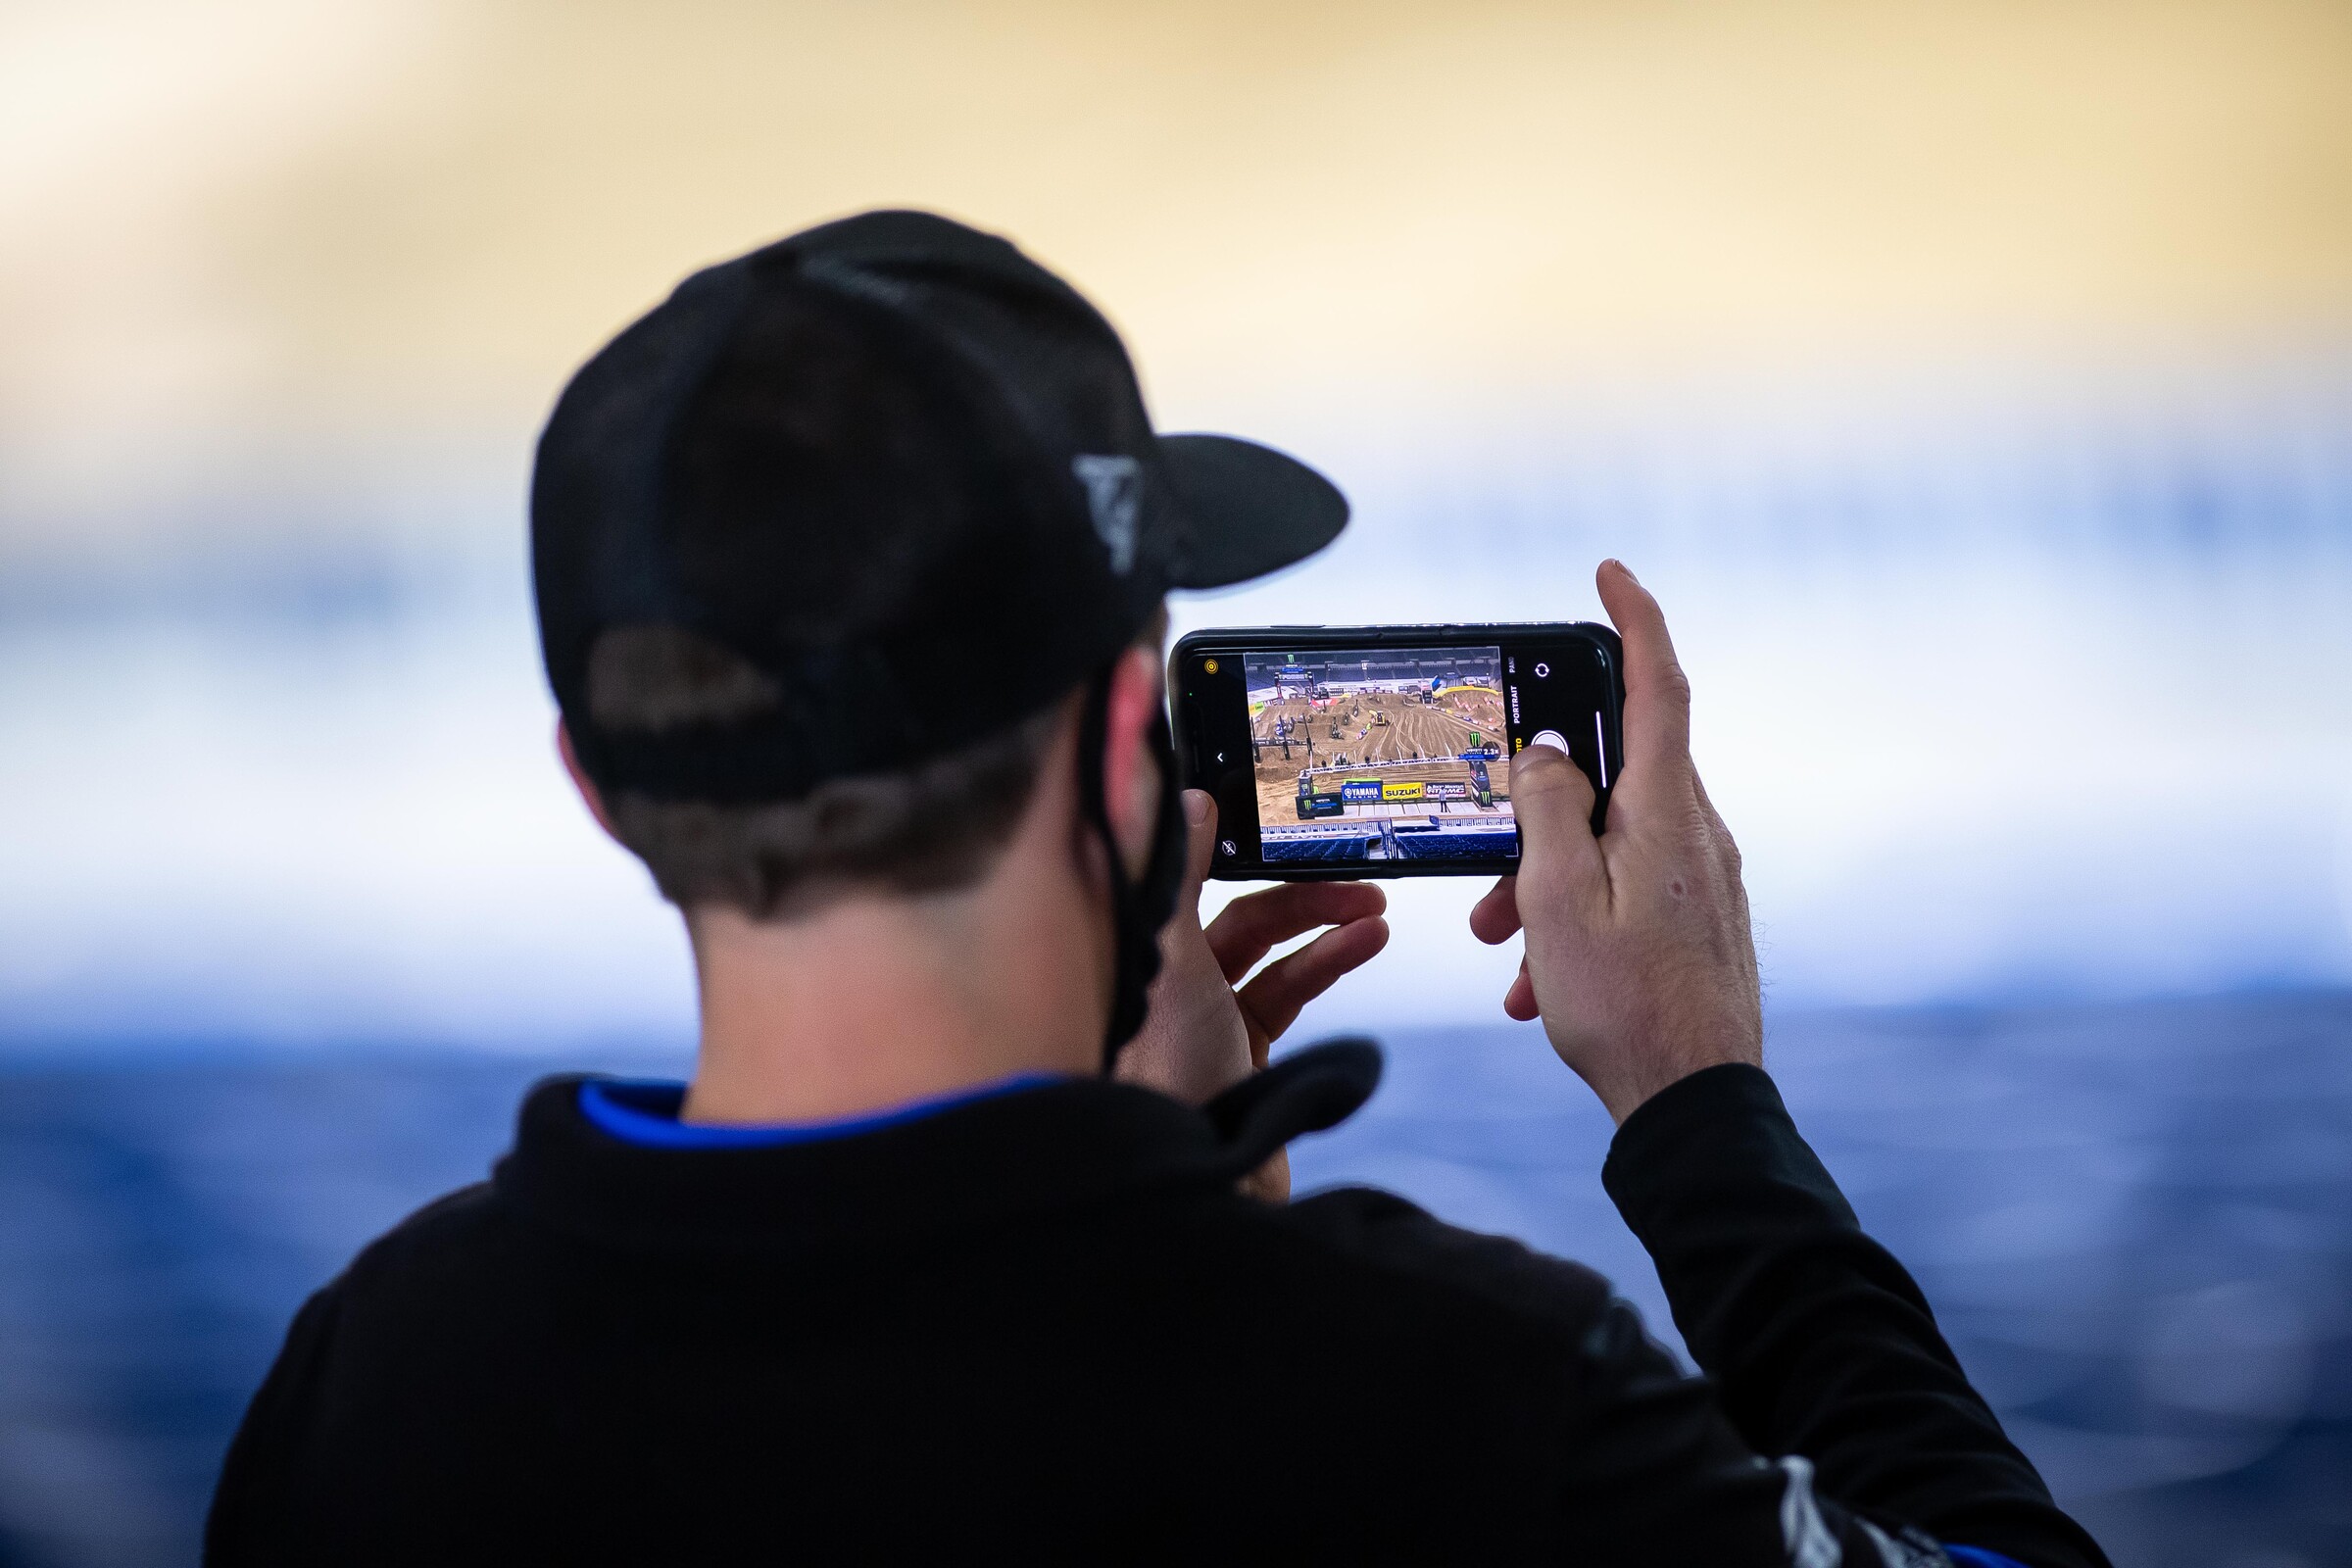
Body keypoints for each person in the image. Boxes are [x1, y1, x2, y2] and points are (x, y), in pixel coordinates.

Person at [205, 211, 2109, 1567]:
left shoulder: (367, 1381)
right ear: (1132, 738)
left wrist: (1180, 1205)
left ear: (605, 791)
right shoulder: (1452, 1396)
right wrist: (1703, 1108)